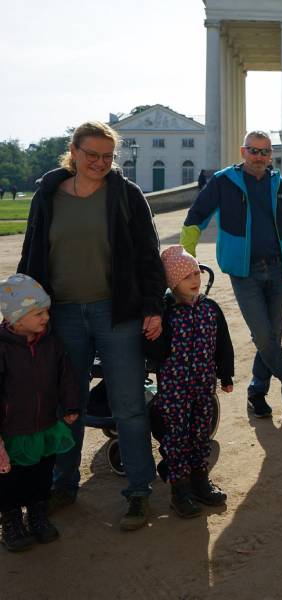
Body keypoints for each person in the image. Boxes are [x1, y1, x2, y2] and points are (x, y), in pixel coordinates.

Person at [18, 121, 166, 531]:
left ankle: (139, 491)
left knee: (129, 405)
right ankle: (63, 485)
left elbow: (148, 254)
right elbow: (32, 252)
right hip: (62, 314)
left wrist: (153, 307)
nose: (100, 163)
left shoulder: (126, 195)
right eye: (92, 155)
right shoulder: (48, 195)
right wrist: (23, 310)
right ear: (74, 151)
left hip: (116, 313)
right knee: (67, 405)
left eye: (107, 156)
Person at [181, 131, 282, 419]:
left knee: (272, 335)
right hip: (244, 271)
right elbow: (196, 217)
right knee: (262, 335)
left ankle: (256, 393)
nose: (259, 157)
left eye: (265, 152)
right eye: (253, 150)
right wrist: (187, 260)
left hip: (278, 268)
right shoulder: (223, 181)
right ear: (243, 151)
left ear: (271, 155)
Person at [144, 246, 234, 518]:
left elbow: (223, 344)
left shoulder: (210, 308)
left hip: (204, 387)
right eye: (187, 276)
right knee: (177, 438)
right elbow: (155, 352)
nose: (195, 280)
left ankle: (200, 480)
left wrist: (226, 374)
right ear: (173, 282)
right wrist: (154, 332)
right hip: (174, 391)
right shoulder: (166, 313)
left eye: (196, 273)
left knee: (201, 433)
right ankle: (180, 489)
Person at [0, 275, 79, 552]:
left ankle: (37, 514)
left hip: (45, 426)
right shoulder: (3, 348)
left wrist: (71, 405)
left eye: (46, 311)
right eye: (38, 313)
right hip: (12, 431)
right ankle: (11, 520)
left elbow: (65, 376)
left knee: (41, 474)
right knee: (10, 480)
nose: (46, 317)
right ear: (16, 318)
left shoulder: (51, 343)